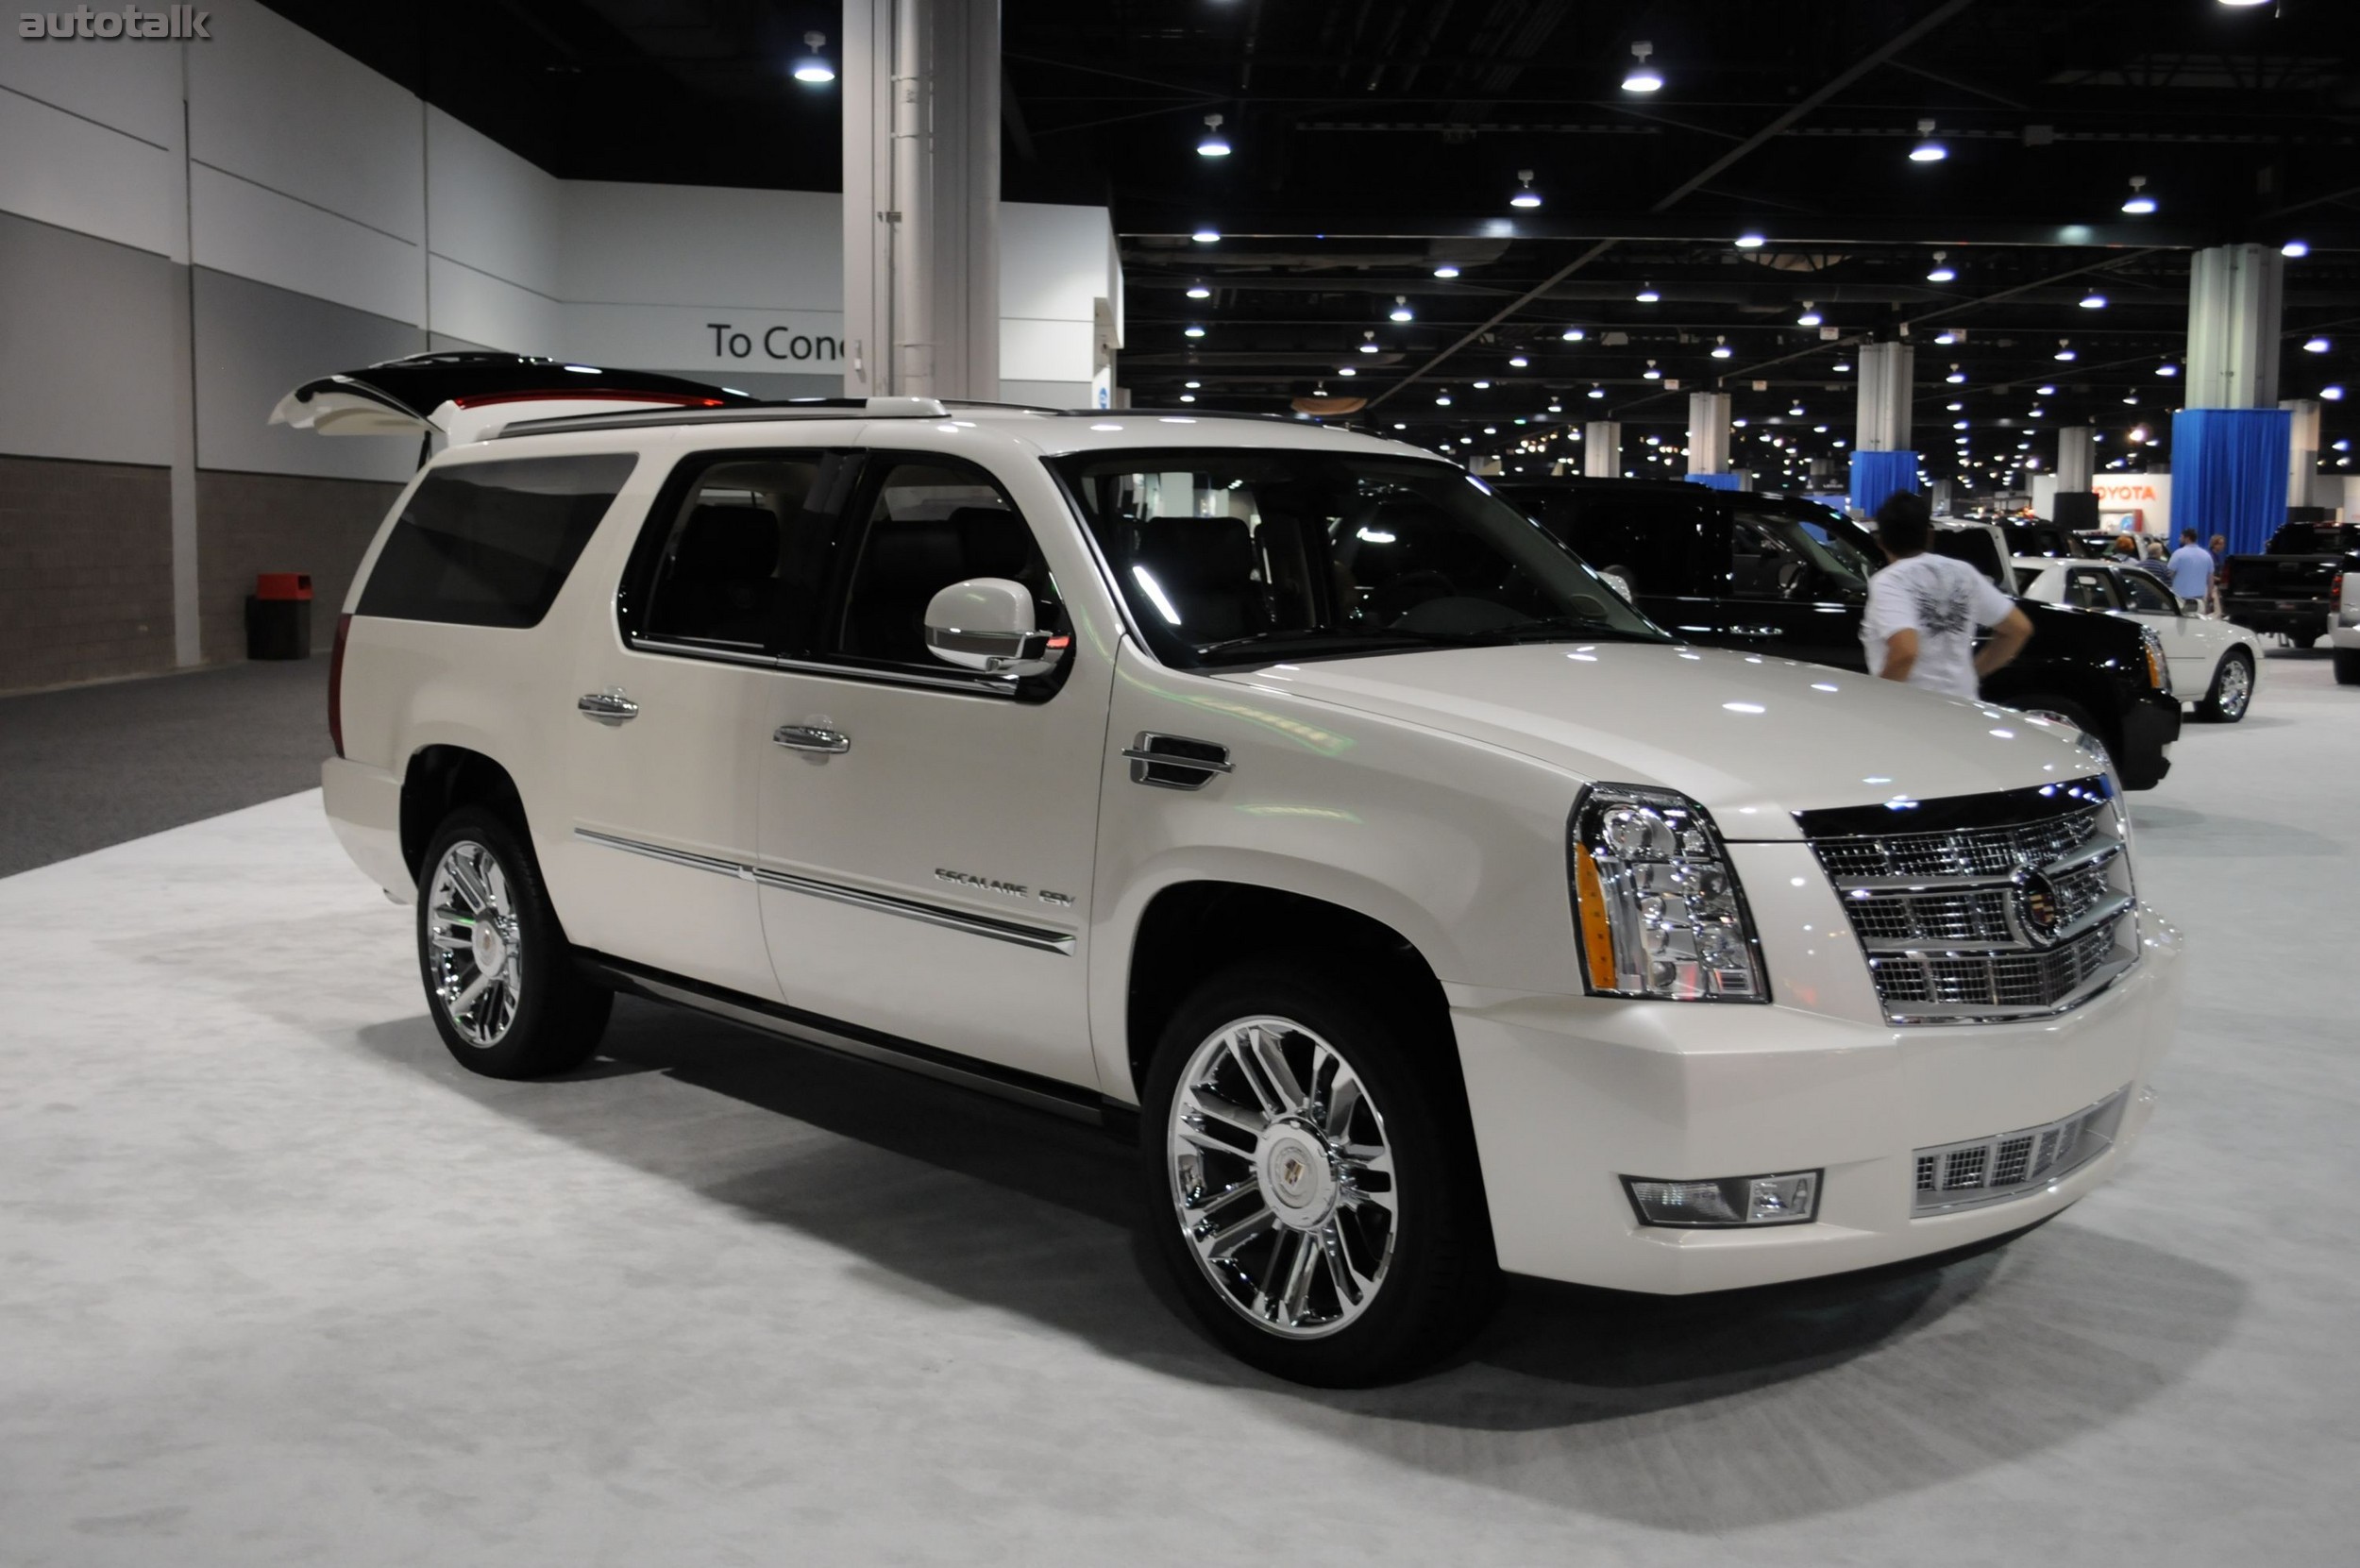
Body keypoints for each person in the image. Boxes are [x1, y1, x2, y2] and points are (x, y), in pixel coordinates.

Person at [1862, 491, 2033, 700]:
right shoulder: (1963, 572)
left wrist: (1878, 698)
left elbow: (1906, 652)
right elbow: (2019, 629)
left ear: (1880, 540)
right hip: (1962, 705)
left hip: (1912, 709)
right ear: (1929, 535)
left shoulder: (1889, 581)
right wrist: (1971, 675)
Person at [2167, 529, 2215, 614]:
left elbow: (2169, 573)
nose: (2179, 539)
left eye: (2181, 537)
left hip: (2181, 597)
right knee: (2197, 620)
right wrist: (2209, 595)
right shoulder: (2206, 555)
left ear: (2187, 538)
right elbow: (2210, 578)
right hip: (2200, 598)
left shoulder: (2178, 554)